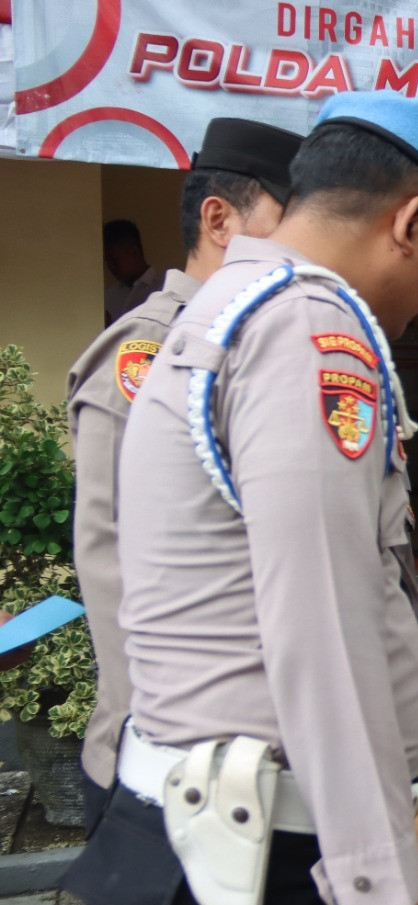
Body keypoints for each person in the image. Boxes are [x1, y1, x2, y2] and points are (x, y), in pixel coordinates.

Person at [63, 90, 418, 905]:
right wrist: (385, 897)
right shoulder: (310, 331)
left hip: (180, 847)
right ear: (413, 222)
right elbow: (322, 626)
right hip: (257, 886)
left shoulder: (210, 309)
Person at [67, 117, 303, 832]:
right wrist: (172, 733)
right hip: (168, 766)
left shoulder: (261, 345)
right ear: (219, 219)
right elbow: (114, 565)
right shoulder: (149, 353)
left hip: (245, 763)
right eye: (293, 223)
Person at [102, 219, 161, 324]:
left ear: (134, 252)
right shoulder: (108, 297)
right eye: (107, 261)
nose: (110, 267)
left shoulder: (162, 290)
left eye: (115, 259)